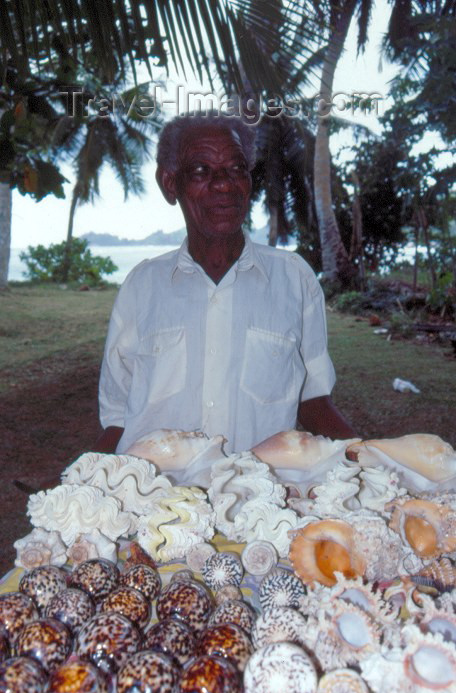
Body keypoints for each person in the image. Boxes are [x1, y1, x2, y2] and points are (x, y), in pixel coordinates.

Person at [95, 112, 356, 455]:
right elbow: (118, 417)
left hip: (259, 502)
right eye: (202, 171)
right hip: (155, 501)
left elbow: (313, 400)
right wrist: (77, 484)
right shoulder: (141, 287)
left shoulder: (294, 280)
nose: (223, 184)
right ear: (170, 184)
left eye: (236, 169)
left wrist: (371, 462)